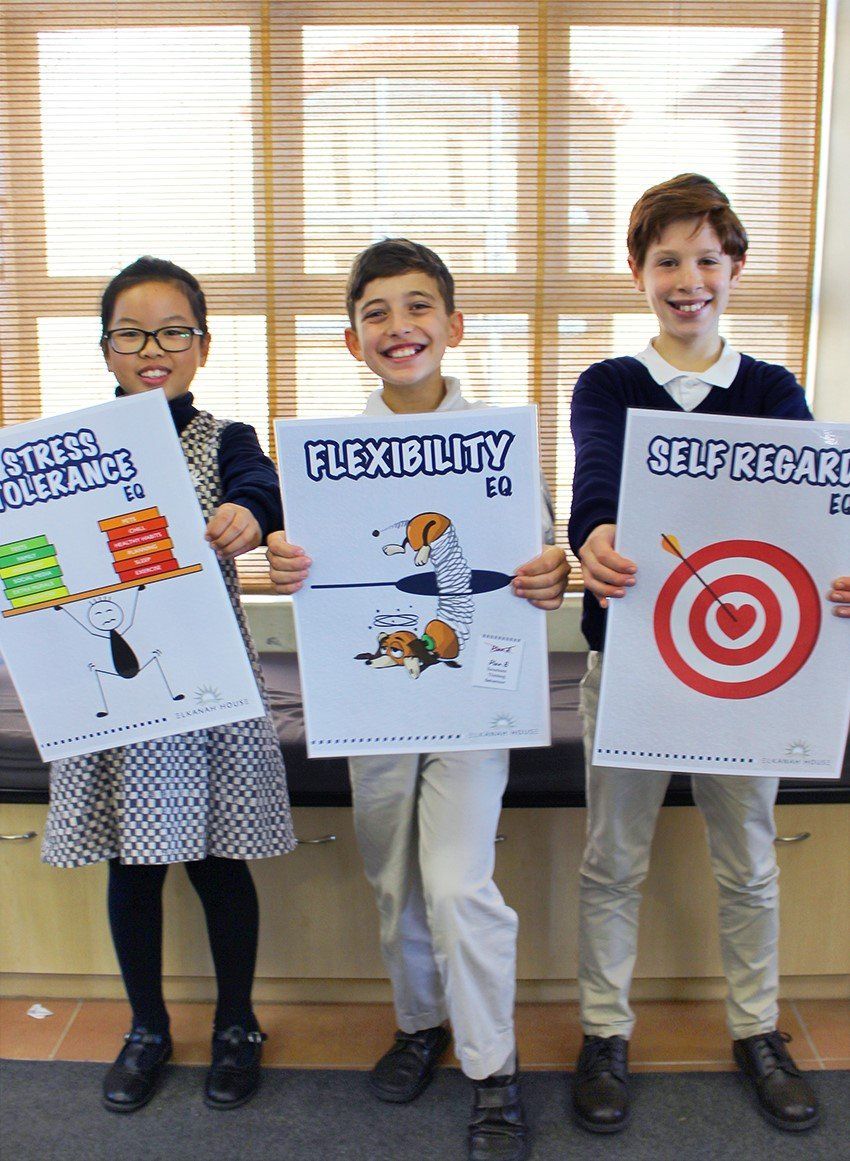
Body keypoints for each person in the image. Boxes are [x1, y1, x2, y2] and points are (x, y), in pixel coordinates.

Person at [268, 239, 569, 1161]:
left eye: (417, 307)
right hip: (374, 699)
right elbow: (312, 571)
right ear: (354, 340)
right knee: (394, 877)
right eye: (376, 313)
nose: (399, 327)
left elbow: (543, 557)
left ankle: (493, 1069)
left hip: (475, 703)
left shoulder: (501, 445)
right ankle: (420, 1022)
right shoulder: (325, 460)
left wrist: (550, 573)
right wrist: (285, 564)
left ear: (454, 325)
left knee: (456, 881)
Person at [567, 173, 850, 1136]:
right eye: (666, 261)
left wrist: (840, 573)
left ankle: (756, 1029)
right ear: (639, 272)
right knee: (614, 862)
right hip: (633, 663)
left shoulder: (772, 389)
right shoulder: (608, 383)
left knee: (750, 863)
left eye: (705, 259)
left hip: (750, 681)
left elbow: (806, 515)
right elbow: (596, 475)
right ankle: (604, 1031)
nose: (687, 279)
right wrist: (596, 533)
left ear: (735, 268)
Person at [42, 257, 296, 1114]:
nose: (153, 348)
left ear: (202, 345)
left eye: (173, 332)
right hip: (112, 689)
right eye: (132, 333)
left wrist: (250, 514)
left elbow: (264, 489)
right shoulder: (71, 443)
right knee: (132, 865)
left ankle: (236, 1022)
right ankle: (147, 1025)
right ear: (107, 349)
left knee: (220, 860)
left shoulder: (225, 440)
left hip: (207, 681)